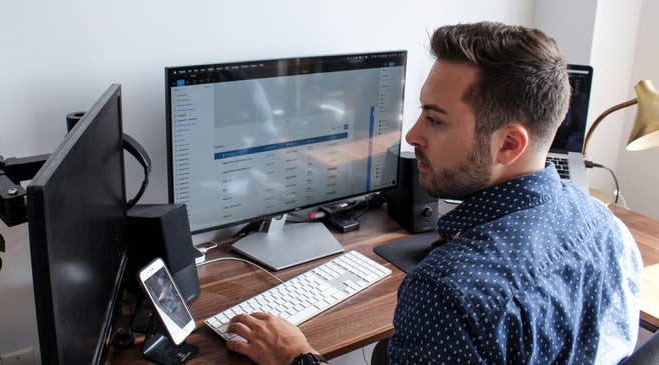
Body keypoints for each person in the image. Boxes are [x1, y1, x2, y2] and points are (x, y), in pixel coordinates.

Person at [225, 22, 642, 365]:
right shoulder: (607, 226)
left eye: (436, 120)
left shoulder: (450, 291)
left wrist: (296, 357)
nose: (412, 135)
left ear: (509, 145)